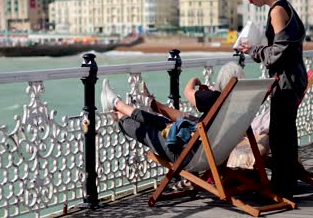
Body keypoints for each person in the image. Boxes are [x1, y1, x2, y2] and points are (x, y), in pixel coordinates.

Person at [100, 62, 245, 188]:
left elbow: (188, 91)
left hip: (187, 156)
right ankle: (119, 105)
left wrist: (195, 80)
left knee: (149, 131)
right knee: (167, 123)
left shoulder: (214, 99)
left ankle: (117, 113)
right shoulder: (241, 107)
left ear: (220, 82)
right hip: (211, 156)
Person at [238, 0, 307, 199]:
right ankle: (287, 185)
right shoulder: (285, 6)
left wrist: (254, 50)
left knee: (280, 135)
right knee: (285, 133)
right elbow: (283, 48)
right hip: (293, 77)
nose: (250, 2)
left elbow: (278, 53)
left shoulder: (276, 10)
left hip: (287, 81)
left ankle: (283, 188)